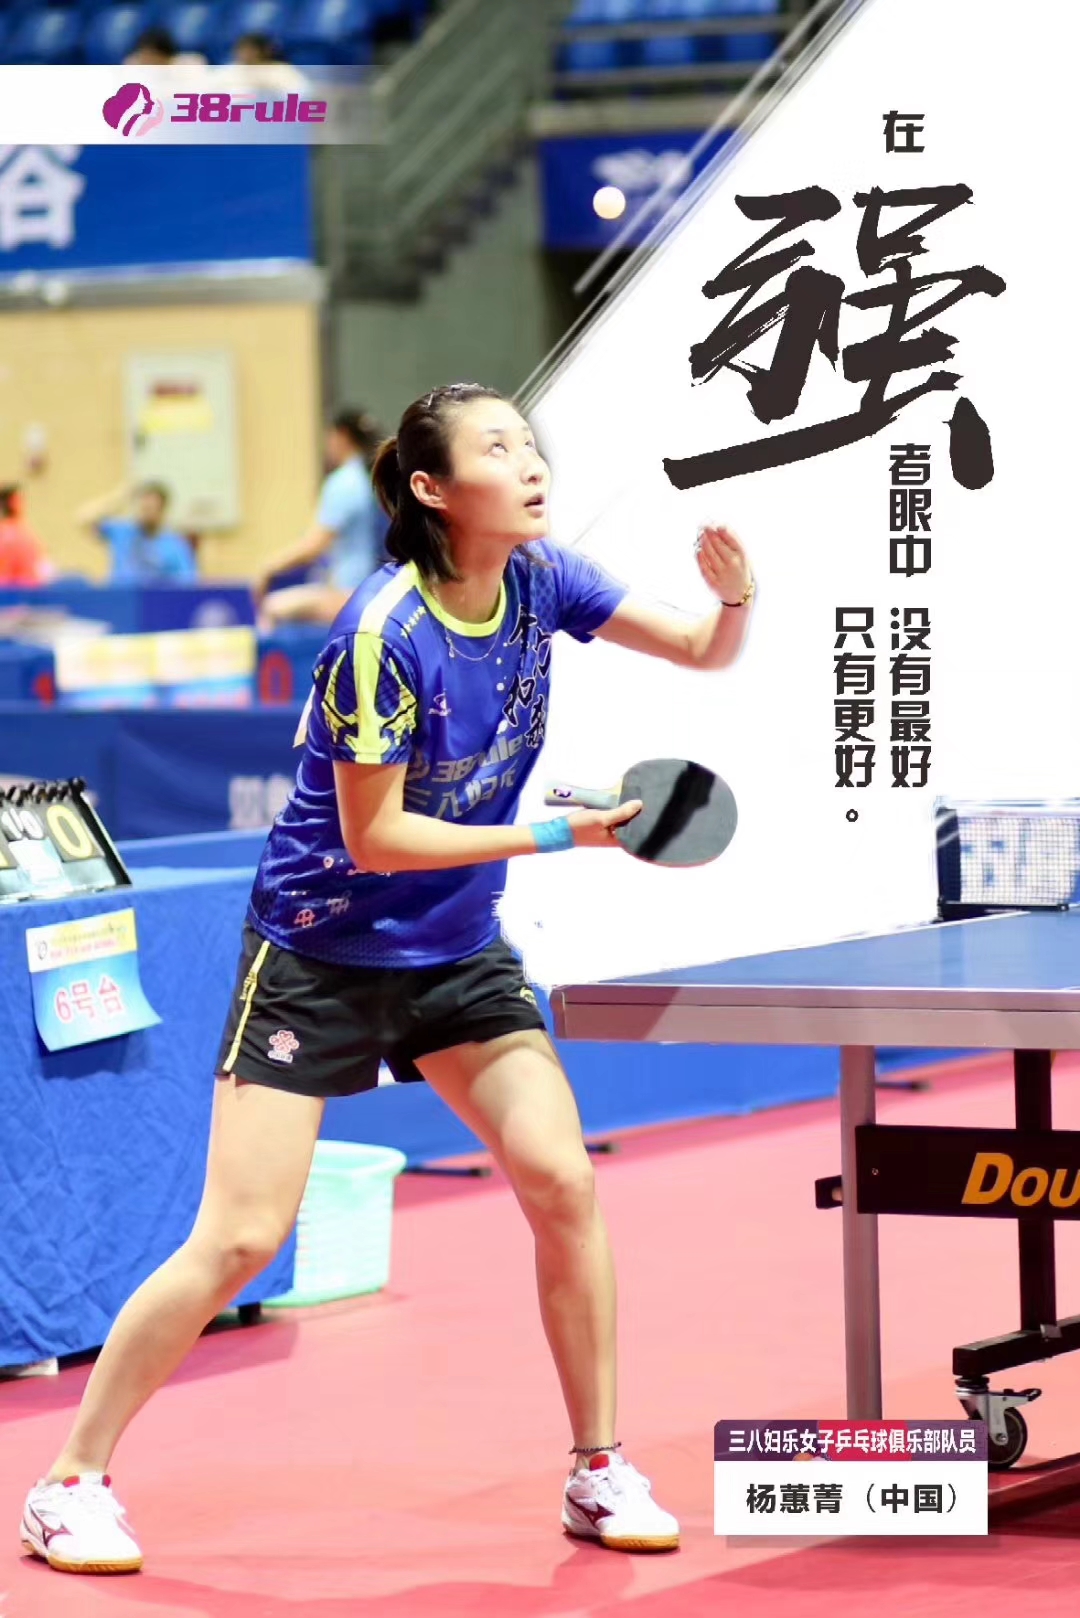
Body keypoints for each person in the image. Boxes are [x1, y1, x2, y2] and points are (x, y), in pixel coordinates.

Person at [20, 381, 756, 1575]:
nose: (530, 462)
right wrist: (560, 836)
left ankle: (596, 1465)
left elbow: (699, 649)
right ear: (431, 487)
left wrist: (734, 600)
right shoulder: (382, 637)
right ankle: (69, 1482)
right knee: (240, 1237)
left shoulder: (544, 580)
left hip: (456, 947)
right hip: (320, 948)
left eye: (528, 441)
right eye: (498, 448)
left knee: (562, 1177)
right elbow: (378, 839)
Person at [254, 407, 388, 630]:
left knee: (271, 607)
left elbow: (313, 547)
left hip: (352, 594)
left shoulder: (344, 482)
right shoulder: (372, 478)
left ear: (341, 436)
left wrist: (268, 567)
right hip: (379, 587)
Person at [74, 481, 198, 585]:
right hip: (121, 598)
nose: (145, 512)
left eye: (151, 508)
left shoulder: (176, 545)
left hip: (155, 601)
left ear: (162, 510)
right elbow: (83, 519)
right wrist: (120, 497)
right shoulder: (123, 532)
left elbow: (187, 583)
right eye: (143, 506)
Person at [0, 485, 52, 587]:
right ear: (13, 502)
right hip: (16, 590)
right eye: (19, 499)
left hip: (30, 587)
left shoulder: (23, 531)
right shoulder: (9, 534)